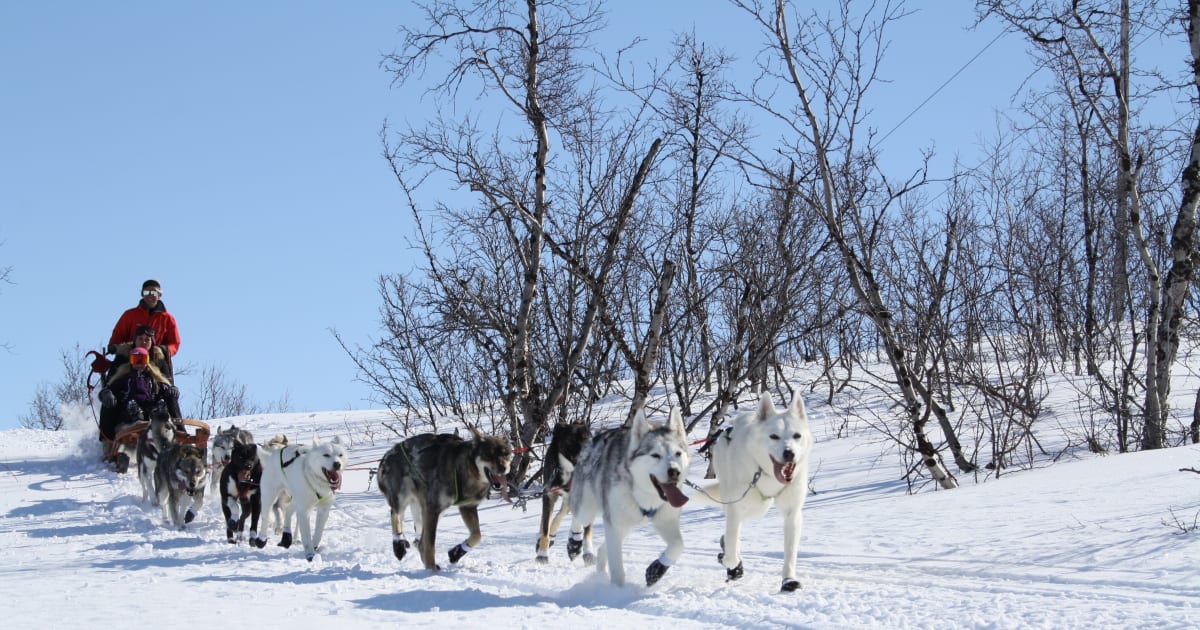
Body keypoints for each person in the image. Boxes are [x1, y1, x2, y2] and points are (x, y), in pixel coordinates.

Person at [98, 347, 179, 441]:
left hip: (149, 406)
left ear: (147, 361)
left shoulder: (152, 378)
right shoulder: (125, 378)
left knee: (160, 402)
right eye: (136, 360)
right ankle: (137, 419)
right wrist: (107, 394)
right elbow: (110, 389)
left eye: (143, 360)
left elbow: (164, 387)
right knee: (131, 405)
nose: (140, 363)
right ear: (131, 361)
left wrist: (172, 389)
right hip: (130, 409)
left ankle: (160, 416)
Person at [109, 278, 181, 360]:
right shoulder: (129, 315)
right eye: (146, 292)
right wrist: (116, 347)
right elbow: (118, 335)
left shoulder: (167, 319)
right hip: (129, 358)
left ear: (159, 295)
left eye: (153, 292)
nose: (150, 295)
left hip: (155, 360)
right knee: (116, 371)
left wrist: (163, 350)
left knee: (162, 372)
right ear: (142, 294)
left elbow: (174, 343)